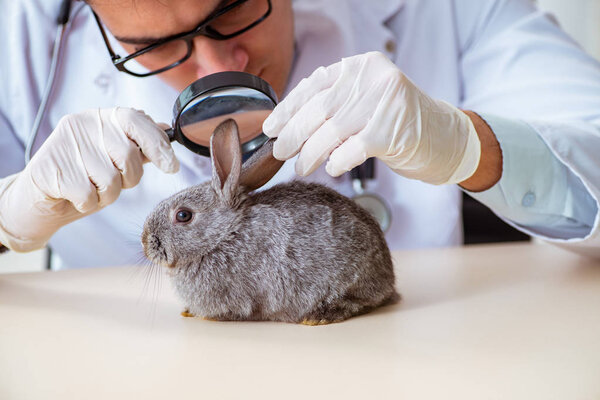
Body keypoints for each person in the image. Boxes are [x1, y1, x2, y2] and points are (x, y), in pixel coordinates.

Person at [0, 0, 599, 269]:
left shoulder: (443, 8)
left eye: (232, 10)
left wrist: (468, 146)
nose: (216, 71)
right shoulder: (21, 38)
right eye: (154, 46)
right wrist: (9, 217)